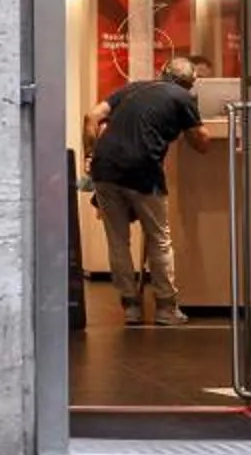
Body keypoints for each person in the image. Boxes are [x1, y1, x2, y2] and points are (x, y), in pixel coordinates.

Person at [85, 55, 210, 328]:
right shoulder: (182, 98)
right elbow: (201, 142)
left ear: (162, 72)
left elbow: (92, 116)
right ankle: (166, 307)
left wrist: (90, 154)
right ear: (191, 82)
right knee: (159, 239)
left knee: (117, 240)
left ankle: (130, 307)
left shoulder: (133, 87)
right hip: (142, 171)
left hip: (104, 169)